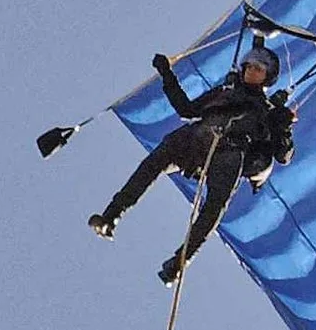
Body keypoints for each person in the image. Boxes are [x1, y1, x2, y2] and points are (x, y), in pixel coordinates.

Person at [90, 42, 297, 282]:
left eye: (258, 68)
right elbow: (186, 110)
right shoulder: (223, 92)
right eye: (249, 65)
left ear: (267, 77)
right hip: (195, 139)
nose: (251, 70)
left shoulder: (268, 110)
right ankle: (112, 215)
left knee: (214, 207)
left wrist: (284, 127)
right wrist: (167, 74)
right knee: (154, 162)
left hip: (229, 153)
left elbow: (283, 155)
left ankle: (180, 261)